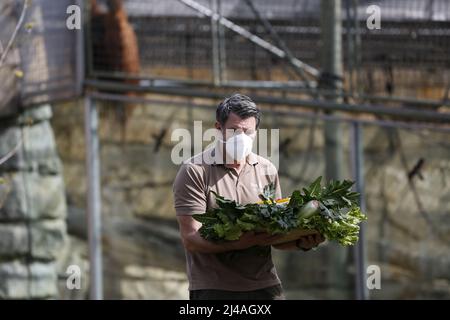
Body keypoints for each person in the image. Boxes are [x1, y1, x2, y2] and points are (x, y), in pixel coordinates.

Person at [173, 94, 325, 300]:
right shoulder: (195, 171)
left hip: (265, 285)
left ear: (256, 132)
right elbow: (191, 239)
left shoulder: (267, 170)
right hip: (214, 289)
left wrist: (302, 242)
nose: (242, 137)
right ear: (218, 129)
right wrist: (238, 243)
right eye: (235, 131)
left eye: (248, 132)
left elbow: (275, 235)